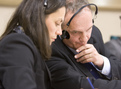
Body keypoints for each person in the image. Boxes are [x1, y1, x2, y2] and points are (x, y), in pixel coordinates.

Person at [46, 0, 121, 89]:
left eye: (88, 29)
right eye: (76, 32)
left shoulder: (94, 33)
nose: (85, 38)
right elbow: (82, 85)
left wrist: (102, 62)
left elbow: (117, 66)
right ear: (62, 31)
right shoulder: (50, 50)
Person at [0, 0, 66, 89]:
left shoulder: (29, 47)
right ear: (39, 18)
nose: (60, 32)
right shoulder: (16, 44)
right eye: (57, 23)